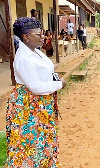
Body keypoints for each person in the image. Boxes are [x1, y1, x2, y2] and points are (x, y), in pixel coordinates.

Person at [6, 17, 67, 167]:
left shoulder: (35, 52)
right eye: (38, 35)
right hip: (29, 106)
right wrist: (60, 84)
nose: (43, 37)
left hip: (40, 105)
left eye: (42, 34)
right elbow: (36, 87)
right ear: (26, 37)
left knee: (43, 141)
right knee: (30, 144)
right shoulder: (24, 58)